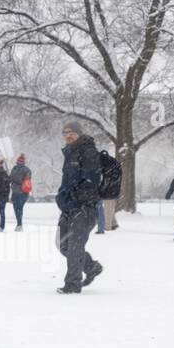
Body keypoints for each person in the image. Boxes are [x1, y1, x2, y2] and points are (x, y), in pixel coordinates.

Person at [55, 119, 103, 294]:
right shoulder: (69, 153)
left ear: (79, 134)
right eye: (65, 133)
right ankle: (91, 267)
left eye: (72, 133)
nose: (68, 136)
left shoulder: (88, 152)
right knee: (62, 244)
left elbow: (93, 180)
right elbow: (67, 181)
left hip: (85, 207)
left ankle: (73, 284)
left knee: (75, 245)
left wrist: (77, 197)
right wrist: (61, 197)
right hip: (69, 206)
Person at [9, 155, 32, 231]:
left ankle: (19, 224)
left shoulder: (15, 169)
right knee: (19, 208)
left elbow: (11, 179)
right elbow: (27, 179)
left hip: (17, 192)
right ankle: (19, 224)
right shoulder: (27, 170)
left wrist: (14, 181)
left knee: (17, 208)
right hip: (24, 192)